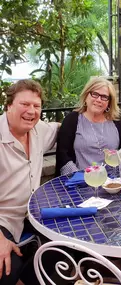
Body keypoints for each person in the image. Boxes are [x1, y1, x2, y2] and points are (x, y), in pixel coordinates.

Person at [0, 79, 59, 284]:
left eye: (36, 106)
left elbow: (64, 128)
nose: (31, 111)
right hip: (3, 220)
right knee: (6, 269)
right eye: (24, 104)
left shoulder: (38, 130)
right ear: (8, 105)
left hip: (32, 213)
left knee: (71, 246)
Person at [56, 77, 121, 175]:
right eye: (95, 94)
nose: (99, 100)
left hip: (113, 182)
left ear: (109, 102)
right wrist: (78, 177)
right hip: (82, 181)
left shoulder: (117, 122)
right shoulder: (72, 120)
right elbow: (63, 155)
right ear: (86, 95)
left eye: (104, 97)